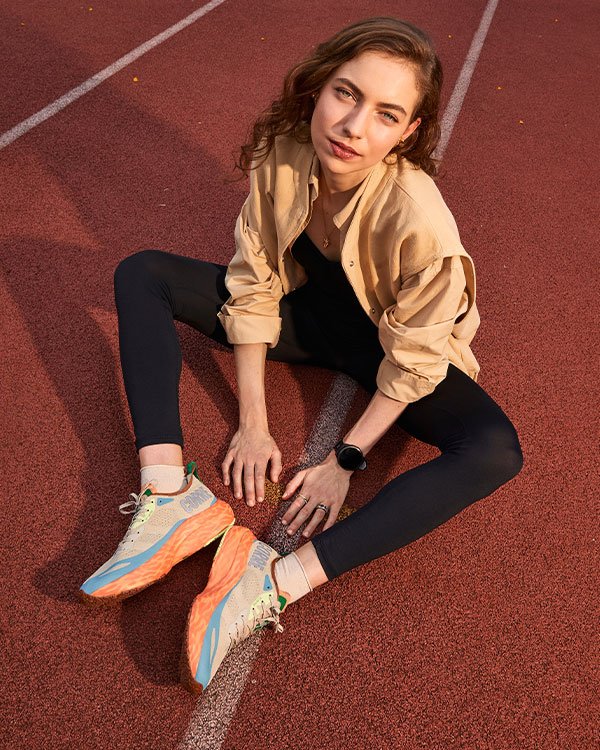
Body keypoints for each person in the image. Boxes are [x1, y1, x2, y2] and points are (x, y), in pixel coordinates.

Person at [79, 17, 523, 694]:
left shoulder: (419, 221)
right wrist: (252, 421)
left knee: (495, 450)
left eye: (386, 114)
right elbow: (254, 284)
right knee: (143, 272)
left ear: (407, 132)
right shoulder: (285, 151)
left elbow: (413, 362)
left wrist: (345, 460)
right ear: (318, 86)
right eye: (346, 94)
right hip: (315, 320)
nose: (353, 126)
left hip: (396, 351)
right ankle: (170, 496)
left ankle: (271, 579)